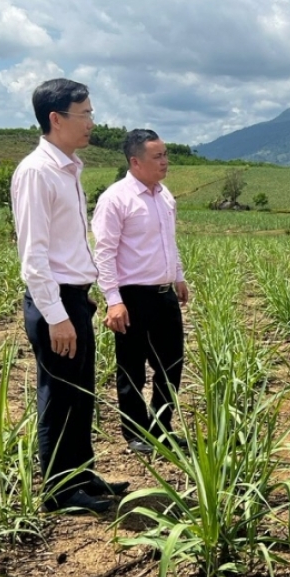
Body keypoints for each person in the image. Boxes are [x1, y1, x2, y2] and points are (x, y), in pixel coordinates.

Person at [11, 78, 127, 514]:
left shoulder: (68, 168)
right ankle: (59, 491)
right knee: (59, 397)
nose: (93, 123)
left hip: (74, 299)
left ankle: (80, 474)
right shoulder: (38, 172)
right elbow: (33, 256)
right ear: (56, 119)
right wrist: (56, 315)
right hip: (54, 302)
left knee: (80, 394)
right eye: (86, 114)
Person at [92, 129, 190, 454]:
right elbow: (104, 251)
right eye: (157, 156)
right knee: (133, 367)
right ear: (135, 161)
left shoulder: (165, 196)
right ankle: (135, 432)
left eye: (165, 154)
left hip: (163, 294)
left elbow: (169, 242)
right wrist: (113, 300)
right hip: (132, 296)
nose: (165, 161)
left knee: (171, 363)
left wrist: (178, 276)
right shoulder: (116, 199)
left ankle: (161, 427)